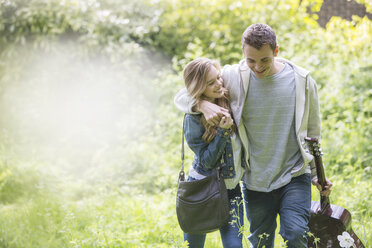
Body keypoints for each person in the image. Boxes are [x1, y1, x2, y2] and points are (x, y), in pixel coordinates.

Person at [174, 23, 333, 248]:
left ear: (276, 51)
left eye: (264, 60)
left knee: (296, 233)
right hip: (255, 178)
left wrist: (318, 174)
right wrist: (200, 104)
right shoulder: (234, 77)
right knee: (261, 241)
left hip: (294, 173)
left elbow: (313, 133)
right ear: (243, 54)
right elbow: (186, 92)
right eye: (251, 60)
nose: (257, 67)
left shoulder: (302, 80)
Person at [180, 58, 245, 248]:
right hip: (202, 187)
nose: (219, 84)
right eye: (211, 82)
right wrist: (223, 132)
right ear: (199, 87)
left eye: (218, 78)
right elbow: (207, 161)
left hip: (232, 189)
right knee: (193, 245)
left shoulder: (229, 101)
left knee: (234, 245)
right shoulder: (193, 118)